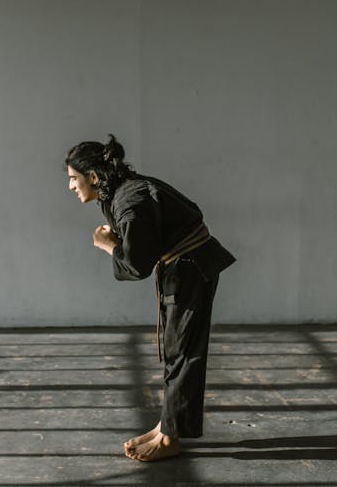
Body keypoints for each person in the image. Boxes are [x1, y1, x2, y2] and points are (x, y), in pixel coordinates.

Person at [65, 134, 235, 462]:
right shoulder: (124, 190)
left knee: (183, 353)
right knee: (177, 351)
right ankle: (166, 427)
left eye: (74, 179)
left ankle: (171, 439)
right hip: (185, 267)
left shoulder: (130, 199)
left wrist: (107, 245)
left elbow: (137, 264)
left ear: (94, 177)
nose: (71, 186)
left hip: (191, 268)